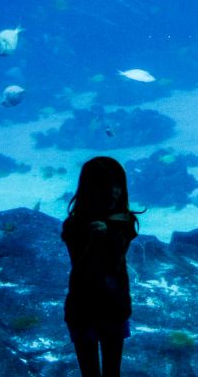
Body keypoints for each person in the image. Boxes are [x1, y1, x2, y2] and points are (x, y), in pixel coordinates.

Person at [62, 157, 139, 377]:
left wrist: (106, 237)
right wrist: (92, 239)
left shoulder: (124, 223)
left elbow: (114, 262)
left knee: (112, 372)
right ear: (91, 189)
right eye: (108, 186)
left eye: (118, 185)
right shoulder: (74, 226)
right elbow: (82, 267)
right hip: (81, 309)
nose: (115, 192)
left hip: (114, 307)